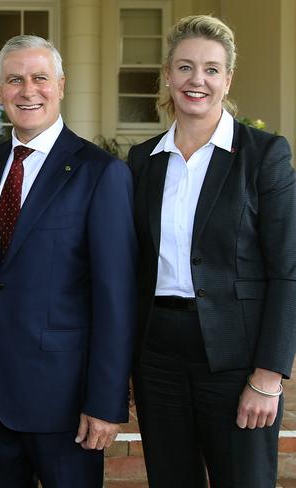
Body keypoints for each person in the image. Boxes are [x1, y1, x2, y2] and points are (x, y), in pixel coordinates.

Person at [0, 35, 136, 486]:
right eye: (14, 80)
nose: (27, 90)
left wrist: (106, 401)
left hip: (65, 399)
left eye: (39, 78)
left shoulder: (100, 172)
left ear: (62, 85)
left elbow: (116, 297)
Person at [128, 15, 296, 488]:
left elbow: (288, 270)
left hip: (236, 359)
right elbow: (134, 269)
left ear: (228, 79)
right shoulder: (143, 161)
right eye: (184, 67)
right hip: (157, 356)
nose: (196, 80)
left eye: (210, 69)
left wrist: (268, 375)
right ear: (167, 74)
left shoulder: (263, 155)